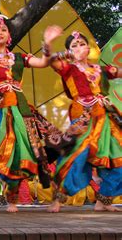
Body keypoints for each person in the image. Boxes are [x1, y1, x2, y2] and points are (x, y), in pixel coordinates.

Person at [0, 17, 62, 214]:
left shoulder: (18, 58)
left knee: (19, 153)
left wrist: (47, 44)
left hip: (18, 111)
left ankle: (12, 200)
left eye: (3, 29)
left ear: (9, 36)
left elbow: (43, 62)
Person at [47, 31, 121, 212]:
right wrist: (49, 44)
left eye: (82, 44)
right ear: (68, 51)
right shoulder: (68, 69)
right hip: (83, 118)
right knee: (75, 156)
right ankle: (58, 199)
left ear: (88, 48)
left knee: (118, 156)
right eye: (74, 45)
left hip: (106, 117)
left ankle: (104, 200)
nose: (79, 47)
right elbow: (51, 60)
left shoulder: (100, 70)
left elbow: (118, 71)